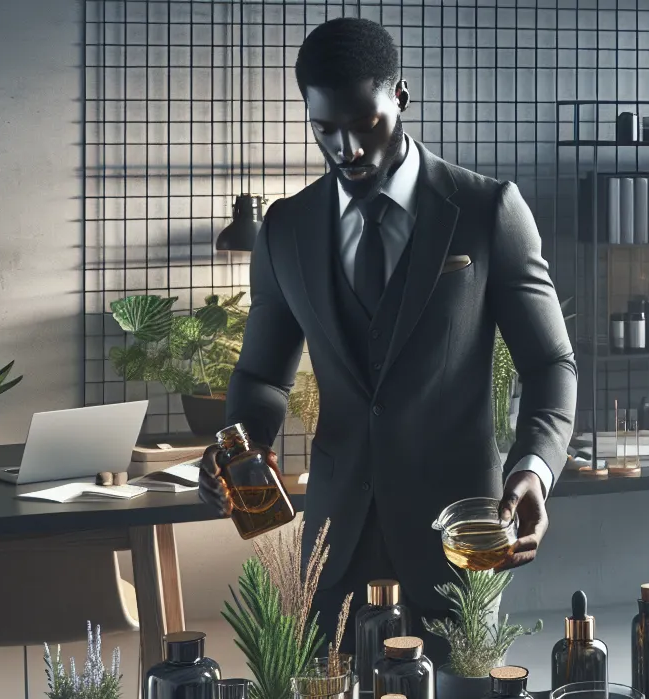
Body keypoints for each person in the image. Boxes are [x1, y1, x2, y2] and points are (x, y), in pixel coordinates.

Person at [198, 17, 577, 643]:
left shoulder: (487, 211)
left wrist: (534, 467)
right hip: (332, 548)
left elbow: (550, 365)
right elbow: (262, 375)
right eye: (325, 129)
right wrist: (237, 448)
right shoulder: (286, 230)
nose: (346, 148)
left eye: (364, 123)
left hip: (458, 541)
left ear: (400, 97)